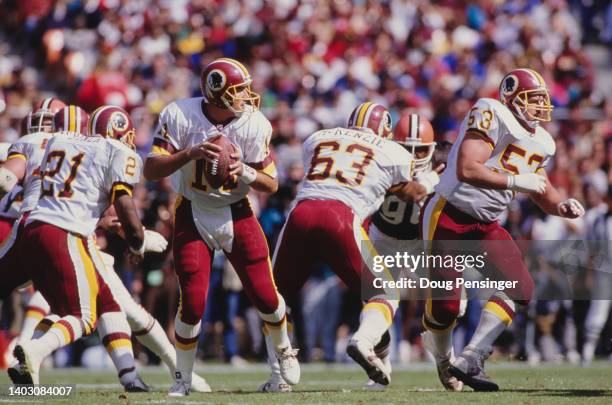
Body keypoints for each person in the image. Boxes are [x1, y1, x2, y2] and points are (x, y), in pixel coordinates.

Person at [420, 68, 585, 391]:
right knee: (446, 308)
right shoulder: (492, 112)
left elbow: (539, 186)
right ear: (510, 98)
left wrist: (559, 205)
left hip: (486, 224)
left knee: (520, 288)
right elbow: (468, 168)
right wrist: (515, 181)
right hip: (449, 215)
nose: (540, 107)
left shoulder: (542, 141)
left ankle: (472, 356)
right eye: (532, 99)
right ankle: (443, 359)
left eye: (542, 100)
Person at [143, 57, 298, 396]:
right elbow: (151, 169)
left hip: (237, 211)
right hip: (192, 211)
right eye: (238, 90)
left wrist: (243, 171)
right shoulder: (180, 114)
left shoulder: (254, 124)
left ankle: (281, 363)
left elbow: (271, 184)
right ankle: (182, 380)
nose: (246, 96)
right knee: (194, 303)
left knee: (266, 296)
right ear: (217, 92)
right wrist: (190, 153)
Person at [263, 102, 427, 391]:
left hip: (301, 213)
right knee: (384, 292)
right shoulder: (394, 152)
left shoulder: (319, 137)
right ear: (385, 130)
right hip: (341, 217)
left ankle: (278, 377)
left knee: (275, 299)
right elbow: (410, 191)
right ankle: (363, 340)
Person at [9, 105, 160, 391]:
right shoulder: (115, 152)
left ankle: (130, 377)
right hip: (67, 232)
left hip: (30, 226)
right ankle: (34, 350)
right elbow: (123, 206)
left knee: (106, 300)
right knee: (84, 316)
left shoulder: (59, 141)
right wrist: (138, 241)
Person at [365, 113, 449, 390]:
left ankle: (442, 352)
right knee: (373, 304)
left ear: (433, 147)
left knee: (451, 302)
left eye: (421, 149)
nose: (413, 155)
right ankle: (381, 363)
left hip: (419, 241)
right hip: (383, 236)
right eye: (406, 148)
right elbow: (413, 192)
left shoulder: (445, 162)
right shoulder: (380, 158)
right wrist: (429, 182)